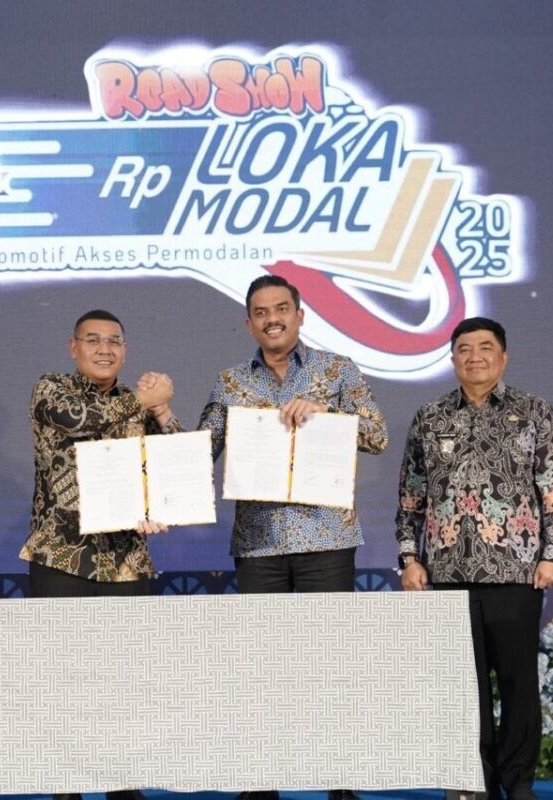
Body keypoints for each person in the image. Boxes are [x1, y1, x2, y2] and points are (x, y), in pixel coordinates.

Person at [198, 274, 387, 800]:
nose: (272, 319)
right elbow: (200, 450)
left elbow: (377, 434)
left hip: (326, 538)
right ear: (249, 323)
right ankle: (262, 781)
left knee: (331, 666)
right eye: (261, 312)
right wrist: (163, 415)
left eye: (281, 308)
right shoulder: (231, 382)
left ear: (300, 316)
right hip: (259, 543)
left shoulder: (336, 370)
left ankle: (340, 781)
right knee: (262, 668)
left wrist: (330, 415)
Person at [396, 317, 553, 800]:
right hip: (447, 573)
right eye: (464, 349)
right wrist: (409, 557)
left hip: (517, 571)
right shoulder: (430, 417)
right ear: (452, 358)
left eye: (485, 347)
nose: (475, 357)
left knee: (518, 683)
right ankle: (470, 783)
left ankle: (518, 783)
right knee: (460, 687)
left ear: (504, 356)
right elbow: (411, 497)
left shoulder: (533, 412)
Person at [19, 308, 177, 800]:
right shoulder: (52, 390)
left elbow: (174, 466)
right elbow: (81, 419)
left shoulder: (140, 404)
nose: (105, 349)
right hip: (62, 558)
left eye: (114, 341)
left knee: (124, 684)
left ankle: (121, 784)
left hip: (127, 562)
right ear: (74, 348)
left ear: (124, 350)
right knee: (64, 680)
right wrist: (143, 400)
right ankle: (66, 788)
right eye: (93, 340)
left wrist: (163, 413)